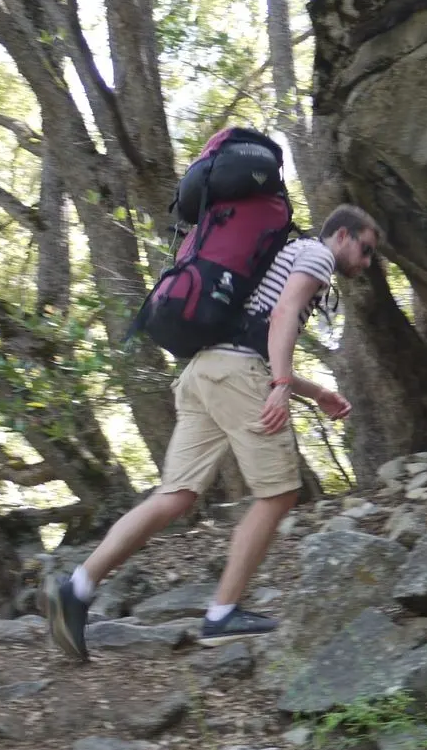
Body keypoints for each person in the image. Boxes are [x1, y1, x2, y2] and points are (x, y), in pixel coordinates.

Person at [42, 204, 381, 659]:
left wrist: (312, 390)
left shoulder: (286, 253)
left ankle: (77, 589)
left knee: (175, 495)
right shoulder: (317, 256)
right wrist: (281, 385)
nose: (367, 262)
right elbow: (282, 316)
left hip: (206, 371)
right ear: (341, 235)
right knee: (279, 494)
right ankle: (222, 614)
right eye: (365, 249)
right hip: (238, 374)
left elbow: (257, 333)